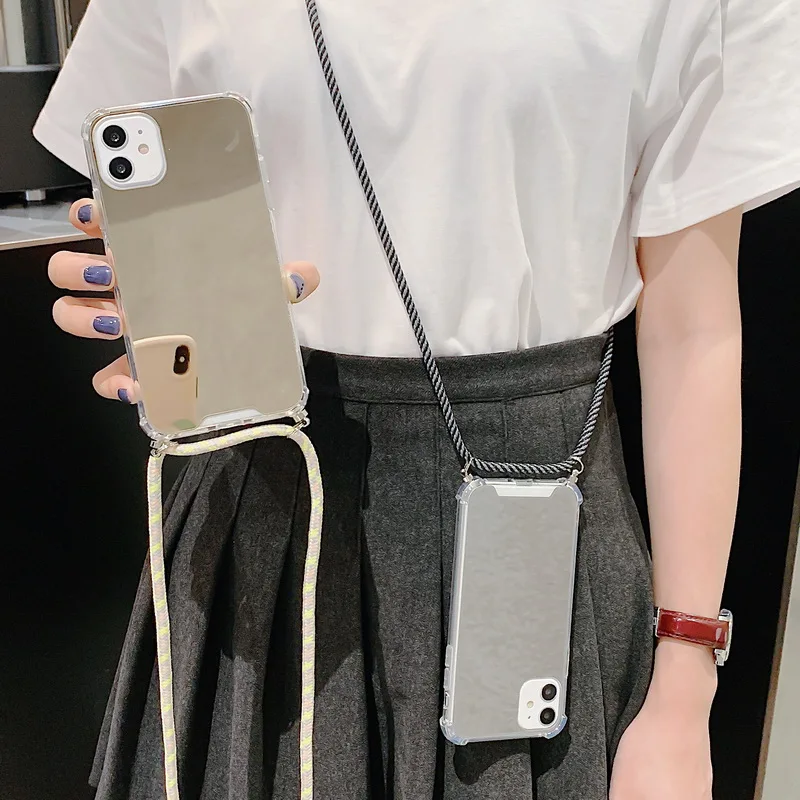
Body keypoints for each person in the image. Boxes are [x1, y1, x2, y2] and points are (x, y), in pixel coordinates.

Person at [34, 0, 800, 798]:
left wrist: (685, 686)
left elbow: (694, 331)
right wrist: (154, 297)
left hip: (545, 525)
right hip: (264, 518)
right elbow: (158, 208)